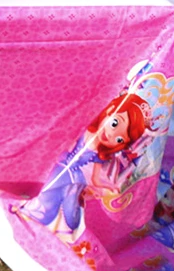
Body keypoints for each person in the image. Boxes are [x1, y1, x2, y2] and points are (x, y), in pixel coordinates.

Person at [13, 93, 152, 243]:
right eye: (114, 123)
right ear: (110, 110)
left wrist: (108, 186)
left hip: (76, 178)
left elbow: (95, 177)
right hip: (63, 167)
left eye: (119, 139)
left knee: (70, 212)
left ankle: (62, 230)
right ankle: (33, 214)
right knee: (49, 194)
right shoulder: (87, 131)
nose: (111, 134)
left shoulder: (100, 153)